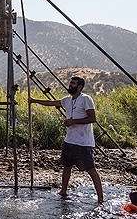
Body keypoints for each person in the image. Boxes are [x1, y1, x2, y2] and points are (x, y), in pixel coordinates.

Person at [29, 76, 104, 204]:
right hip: (69, 141)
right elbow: (52, 103)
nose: (70, 85)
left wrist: (73, 121)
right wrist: (34, 100)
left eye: (73, 84)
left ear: (79, 87)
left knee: (90, 169)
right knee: (67, 166)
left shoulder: (86, 99)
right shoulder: (67, 100)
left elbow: (92, 119)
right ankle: (63, 191)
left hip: (83, 143)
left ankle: (100, 199)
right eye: (70, 83)